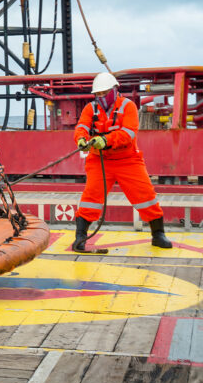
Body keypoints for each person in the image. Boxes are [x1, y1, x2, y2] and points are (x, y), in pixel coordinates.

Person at [73, 72, 172, 252]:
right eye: (98, 94)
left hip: (128, 160)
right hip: (99, 160)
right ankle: (80, 237)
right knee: (91, 198)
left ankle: (158, 235)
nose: (101, 97)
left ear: (114, 90)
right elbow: (82, 126)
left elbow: (129, 133)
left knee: (145, 196)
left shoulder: (129, 106)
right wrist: (81, 139)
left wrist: (106, 140)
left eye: (104, 93)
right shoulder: (90, 108)